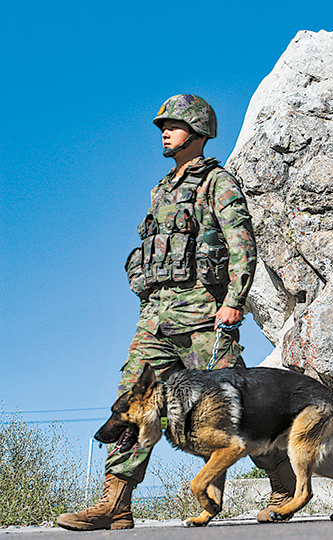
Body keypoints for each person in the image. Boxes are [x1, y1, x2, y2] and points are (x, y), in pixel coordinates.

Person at [57, 95, 290, 530]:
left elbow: (241, 244)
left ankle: (282, 484)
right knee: (131, 401)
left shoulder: (218, 183)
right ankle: (115, 503)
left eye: (174, 125)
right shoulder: (161, 190)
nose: (165, 131)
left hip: (205, 317)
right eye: (162, 126)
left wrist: (233, 301)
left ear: (198, 132)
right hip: (156, 318)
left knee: (237, 406)